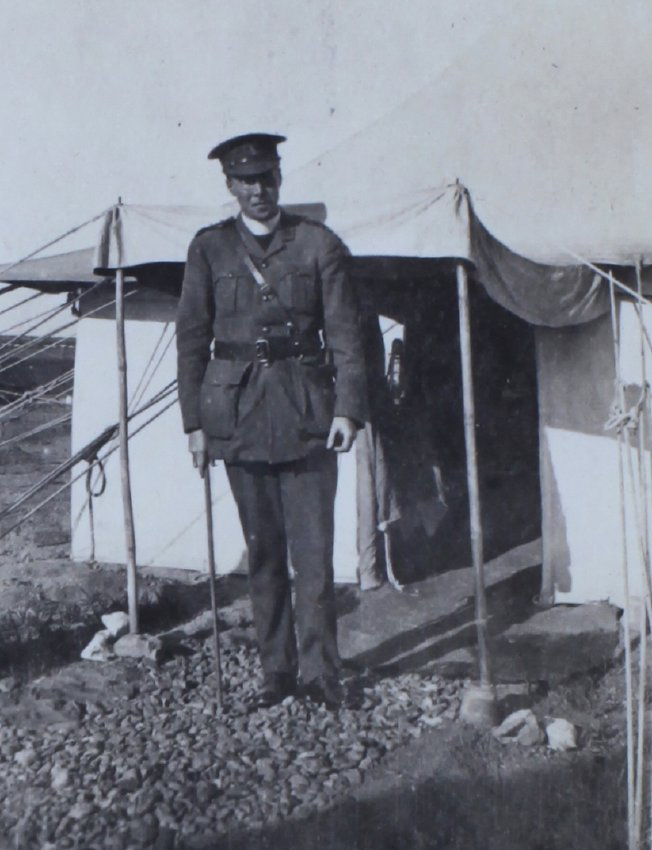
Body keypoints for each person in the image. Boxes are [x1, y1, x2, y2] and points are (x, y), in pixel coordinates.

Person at [176, 133, 367, 710]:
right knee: (263, 556)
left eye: (267, 177)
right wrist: (194, 425)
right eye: (246, 180)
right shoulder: (209, 250)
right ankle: (277, 672)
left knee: (314, 556)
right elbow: (191, 340)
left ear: (281, 178)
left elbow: (348, 337)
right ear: (229, 186)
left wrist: (348, 410)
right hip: (237, 420)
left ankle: (322, 675)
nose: (259, 190)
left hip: (308, 418)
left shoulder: (317, 245)